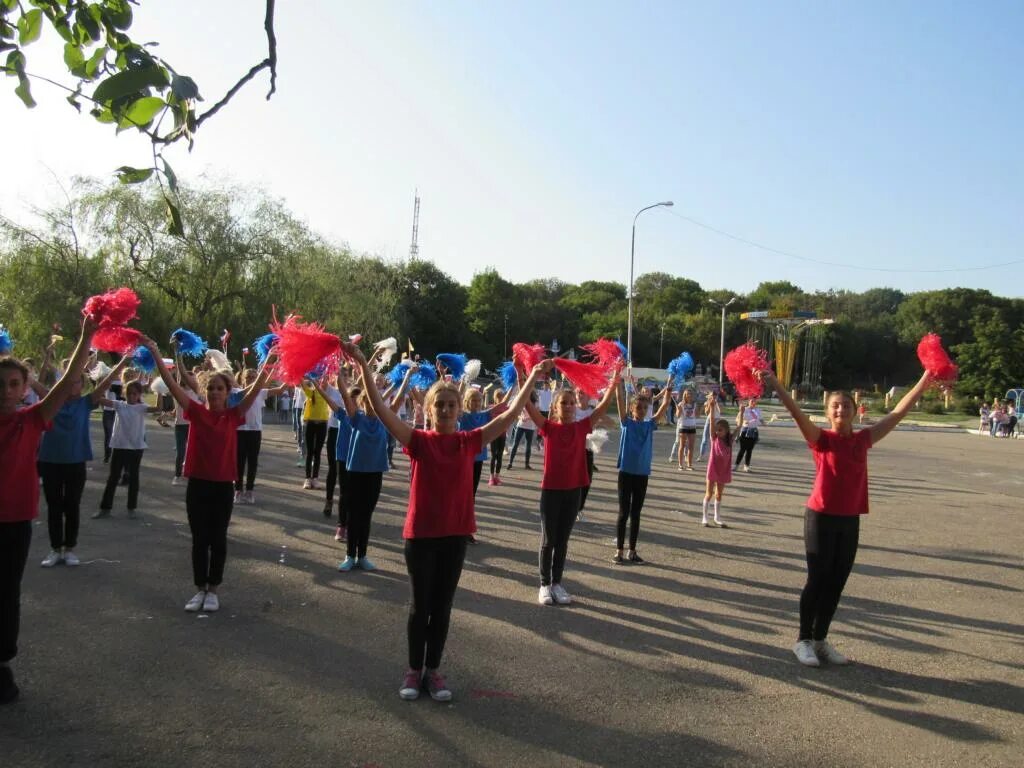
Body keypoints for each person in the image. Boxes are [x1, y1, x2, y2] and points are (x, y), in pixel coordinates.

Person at [343, 342, 547, 702]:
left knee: (443, 606)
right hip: (420, 535)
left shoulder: (470, 441)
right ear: (429, 408)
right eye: (440, 404)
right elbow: (379, 408)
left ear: (458, 409)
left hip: (455, 535)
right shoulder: (417, 441)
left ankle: (434, 670)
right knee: (420, 606)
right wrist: (362, 365)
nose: (447, 409)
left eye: (452, 404)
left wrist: (529, 377)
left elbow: (509, 415)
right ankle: (413, 669)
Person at [759, 367, 934, 667]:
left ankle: (820, 640)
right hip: (820, 517)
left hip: (849, 519)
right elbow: (797, 412)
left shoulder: (862, 440)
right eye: (835, 406)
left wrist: (925, 378)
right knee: (817, 579)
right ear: (829, 413)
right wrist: (775, 383)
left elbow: (898, 413)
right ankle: (802, 640)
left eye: (846, 406)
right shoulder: (821, 439)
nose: (841, 409)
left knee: (837, 581)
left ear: (854, 411)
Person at [1, 316, 97, 704]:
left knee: (6, 594)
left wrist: (88, 334)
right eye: (0, 384)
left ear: (26, 389)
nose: (6, 391)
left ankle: (2, 664)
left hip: (14, 523)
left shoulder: (33, 419)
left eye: (13, 384)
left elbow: (66, 381)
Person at [144, 336, 275, 613]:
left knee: (218, 538)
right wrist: (161, 354)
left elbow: (256, 389)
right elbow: (170, 383)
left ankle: (213, 589)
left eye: (220, 388)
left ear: (227, 392)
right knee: (199, 538)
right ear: (204, 391)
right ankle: (199, 589)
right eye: (211, 388)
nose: (215, 392)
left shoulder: (234, 415)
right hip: (198, 485)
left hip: (223, 487)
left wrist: (269, 361)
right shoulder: (195, 412)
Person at [523, 373, 620, 606]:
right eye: (563, 403)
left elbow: (603, 406)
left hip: (573, 491)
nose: (567, 406)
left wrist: (614, 382)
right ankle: (544, 584)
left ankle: (557, 583)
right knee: (549, 540)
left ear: (576, 407)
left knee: (563, 541)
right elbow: (526, 402)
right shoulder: (547, 427)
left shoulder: (581, 426)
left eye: (570, 403)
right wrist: (521, 375)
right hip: (551, 491)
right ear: (555, 407)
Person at [34, 354, 128, 567]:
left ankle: (70, 549)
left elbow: (106, 381)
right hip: (49, 461)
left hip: (75, 462)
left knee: (72, 505)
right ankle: (55, 549)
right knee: (54, 506)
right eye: (67, 381)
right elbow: (33, 382)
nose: (71, 385)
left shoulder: (86, 402)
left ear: (82, 384)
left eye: (76, 381)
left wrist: (123, 362)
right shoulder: (50, 400)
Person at [614, 377, 673, 563]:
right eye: (638, 408)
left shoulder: (650, 425)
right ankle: (619, 551)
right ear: (632, 409)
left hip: (642, 474)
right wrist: (617, 385)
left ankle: (632, 550)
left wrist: (668, 395)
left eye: (644, 408)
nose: (641, 410)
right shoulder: (626, 423)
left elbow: (663, 408)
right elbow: (619, 400)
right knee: (623, 513)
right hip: (626, 472)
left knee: (636, 513)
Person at [94, 379, 162, 519]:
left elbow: (158, 408)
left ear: (139, 395)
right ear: (125, 393)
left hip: (136, 448)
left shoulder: (141, 407)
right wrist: (100, 385)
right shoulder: (119, 405)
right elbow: (99, 399)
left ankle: (132, 508)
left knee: (133, 478)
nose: (131, 396)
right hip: (119, 446)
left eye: (135, 394)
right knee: (113, 478)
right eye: (129, 393)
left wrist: (160, 391)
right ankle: (105, 508)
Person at [234, 368, 286, 505]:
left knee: (252, 462)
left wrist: (292, 377)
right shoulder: (238, 392)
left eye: (253, 377)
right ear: (242, 379)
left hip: (255, 431)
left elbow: (280, 390)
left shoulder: (260, 393)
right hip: (239, 430)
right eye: (248, 377)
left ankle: (249, 491)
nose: (251, 379)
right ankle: (238, 490)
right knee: (239, 462)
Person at [702, 407, 745, 527]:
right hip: (713, 468)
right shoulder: (714, 438)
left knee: (719, 494)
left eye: (720, 430)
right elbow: (711, 421)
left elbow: (739, 426)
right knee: (709, 493)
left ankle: (717, 517)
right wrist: (711, 407)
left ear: (726, 431)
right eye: (716, 430)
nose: (717, 432)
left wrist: (741, 412)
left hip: (723, 470)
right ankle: (705, 517)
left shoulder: (730, 440)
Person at [301, 380, 330, 488]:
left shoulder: (327, 393)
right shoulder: (310, 392)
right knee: (310, 452)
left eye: (323, 380)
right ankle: (308, 479)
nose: (321, 382)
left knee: (317, 453)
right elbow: (302, 383)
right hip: (310, 424)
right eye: (318, 380)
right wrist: (301, 374)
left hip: (322, 424)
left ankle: (315, 478)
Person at [505, 392, 538, 469]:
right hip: (521, 425)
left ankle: (527, 464)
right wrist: (521, 418)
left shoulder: (535, 403)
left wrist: (527, 418)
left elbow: (536, 414)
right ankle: (510, 463)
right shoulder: (522, 401)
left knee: (528, 445)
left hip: (530, 427)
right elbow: (518, 413)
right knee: (515, 444)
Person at [672, 388, 699, 470]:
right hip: (683, 426)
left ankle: (689, 465)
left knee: (691, 446)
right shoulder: (681, 404)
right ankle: (680, 465)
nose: (689, 395)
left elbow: (697, 416)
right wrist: (679, 409)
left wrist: (699, 409)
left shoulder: (694, 404)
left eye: (690, 394)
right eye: (687, 394)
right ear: (685, 395)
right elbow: (677, 415)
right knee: (682, 445)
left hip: (692, 426)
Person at [734, 398, 763, 472]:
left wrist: (764, 422)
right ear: (749, 402)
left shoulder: (758, 410)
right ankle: (736, 465)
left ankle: (746, 466)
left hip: (754, 431)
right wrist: (744, 422)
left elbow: (760, 419)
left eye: (754, 401)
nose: (753, 402)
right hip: (745, 430)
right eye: (752, 401)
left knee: (749, 450)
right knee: (742, 449)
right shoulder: (744, 409)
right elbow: (737, 419)